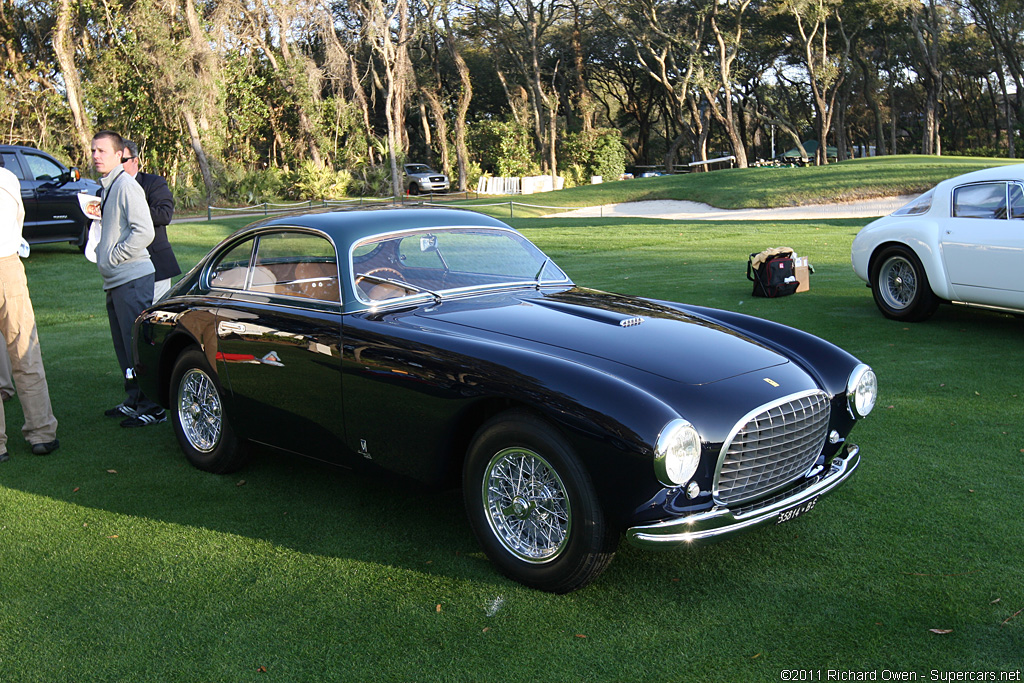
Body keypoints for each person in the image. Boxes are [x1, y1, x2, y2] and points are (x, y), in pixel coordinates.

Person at [90, 130, 165, 428]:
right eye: (93, 150)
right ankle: (134, 398)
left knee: (136, 347)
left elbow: (144, 231)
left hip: (132, 279)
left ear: (120, 154)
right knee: (123, 348)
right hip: (116, 281)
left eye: (102, 151)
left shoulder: (125, 186)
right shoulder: (108, 187)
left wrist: (113, 256)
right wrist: (102, 251)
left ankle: (153, 407)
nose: (96, 156)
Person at [0, 156, 59, 461]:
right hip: (8, 264)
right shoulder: (9, 179)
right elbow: (19, 220)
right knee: (25, 350)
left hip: (8, 260)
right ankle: (42, 432)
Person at [121, 140, 180, 301]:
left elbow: (164, 214)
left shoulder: (153, 183)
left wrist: (129, 212)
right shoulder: (107, 189)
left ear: (135, 160)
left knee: (152, 316)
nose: (119, 165)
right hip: (121, 265)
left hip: (155, 264)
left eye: (123, 160)